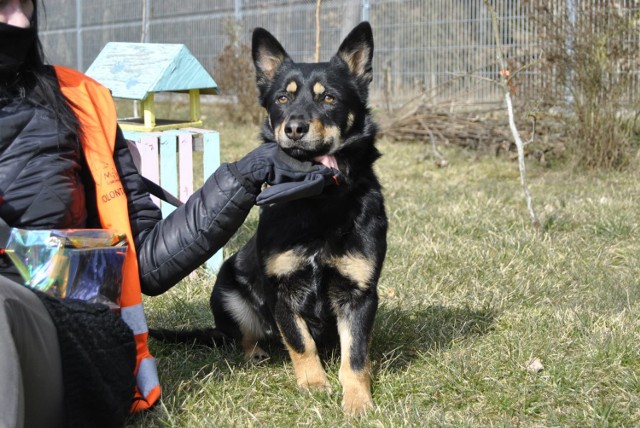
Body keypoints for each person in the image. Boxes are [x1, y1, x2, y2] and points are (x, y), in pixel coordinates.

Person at [0, 1, 339, 427]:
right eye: (1, 6)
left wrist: (246, 175)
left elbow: (146, 262)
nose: (17, 22)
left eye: (23, 5)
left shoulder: (80, 102)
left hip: (60, 330)